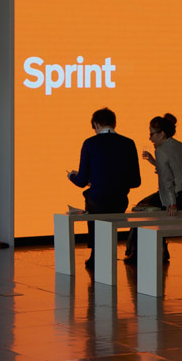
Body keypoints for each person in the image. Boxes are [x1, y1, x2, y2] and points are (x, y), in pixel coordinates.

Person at [124, 113, 182, 263]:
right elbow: (176, 171)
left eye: (152, 134)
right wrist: (154, 162)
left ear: (162, 134)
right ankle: (156, 248)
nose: (150, 138)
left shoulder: (161, 150)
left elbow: (167, 181)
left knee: (141, 209)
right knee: (149, 208)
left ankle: (135, 252)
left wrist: (171, 203)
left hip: (180, 197)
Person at [67, 107, 141, 268]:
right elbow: (135, 181)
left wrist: (71, 176)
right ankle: (106, 253)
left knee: (92, 203)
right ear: (114, 123)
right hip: (119, 200)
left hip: (98, 200)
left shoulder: (90, 143)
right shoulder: (128, 143)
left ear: (96, 124)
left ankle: (96, 254)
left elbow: (81, 181)